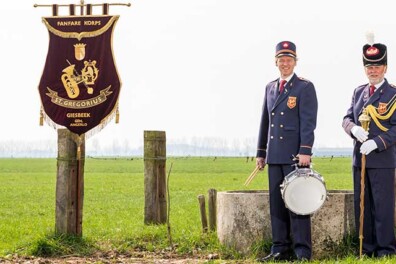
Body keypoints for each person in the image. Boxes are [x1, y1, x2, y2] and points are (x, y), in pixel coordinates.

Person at [256, 41, 318, 261]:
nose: (285, 64)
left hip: (295, 156)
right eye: (281, 60)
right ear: (276, 62)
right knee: (277, 205)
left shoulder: (304, 87)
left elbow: (308, 122)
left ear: (295, 62)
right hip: (274, 155)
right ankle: (279, 248)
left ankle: (302, 251)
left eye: (289, 60)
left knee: (298, 202)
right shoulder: (270, 87)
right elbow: (266, 122)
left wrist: (305, 151)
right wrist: (261, 152)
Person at [342, 39, 396, 257]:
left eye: (377, 66)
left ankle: (386, 250)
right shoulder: (358, 92)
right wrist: (353, 129)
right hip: (360, 159)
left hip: (383, 159)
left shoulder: (393, 94)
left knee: (382, 207)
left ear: (385, 67)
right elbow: (346, 118)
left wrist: (377, 142)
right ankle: (367, 248)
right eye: (369, 67)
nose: (373, 71)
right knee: (362, 206)